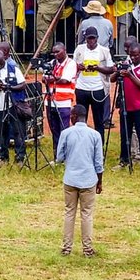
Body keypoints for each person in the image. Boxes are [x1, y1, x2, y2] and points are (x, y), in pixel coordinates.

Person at [57, 104, 102, 256]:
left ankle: (66, 248)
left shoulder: (66, 133)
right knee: (87, 214)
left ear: (74, 117)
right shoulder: (95, 135)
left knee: (69, 212)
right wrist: (99, 181)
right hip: (89, 179)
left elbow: (59, 157)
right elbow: (98, 162)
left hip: (70, 179)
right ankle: (88, 249)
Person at [0, 43, 28, 164]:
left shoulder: (13, 68)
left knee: (18, 132)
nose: (0, 66)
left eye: (1, 63)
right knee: (2, 133)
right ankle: (3, 157)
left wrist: (10, 87)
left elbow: (23, 84)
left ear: (5, 58)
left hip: (13, 105)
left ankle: (20, 157)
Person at [117, 39, 140, 168]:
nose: (133, 57)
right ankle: (124, 160)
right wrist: (119, 70)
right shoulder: (127, 65)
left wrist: (130, 75)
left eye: (136, 55)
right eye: (131, 54)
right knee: (124, 134)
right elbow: (112, 79)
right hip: (125, 105)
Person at [72, 27, 113, 134]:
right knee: (81, 120)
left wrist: (97, 68)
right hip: (81, 88)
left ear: (97, 38)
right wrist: (78, 67)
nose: (91, 41)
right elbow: (72, 66)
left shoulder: (104, 51)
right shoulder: (79, 49)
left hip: (98, 89)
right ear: (85, 38)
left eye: (93, 38)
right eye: (89, 38)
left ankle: (99, 147)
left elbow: (111, 69)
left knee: (99, 121)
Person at [42, 42, 77, 148]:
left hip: (64, 102)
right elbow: (44, 79)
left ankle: (66, 155)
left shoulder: (71, 63)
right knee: (54, 130)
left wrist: (52, 79)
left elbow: (65, 80)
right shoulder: (52, 63)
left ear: (64, 50)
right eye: (54, 52)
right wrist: (56, 78)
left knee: (64, 130)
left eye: (58, 51)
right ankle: (57, 155)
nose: (55, 54)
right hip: (50, 101)